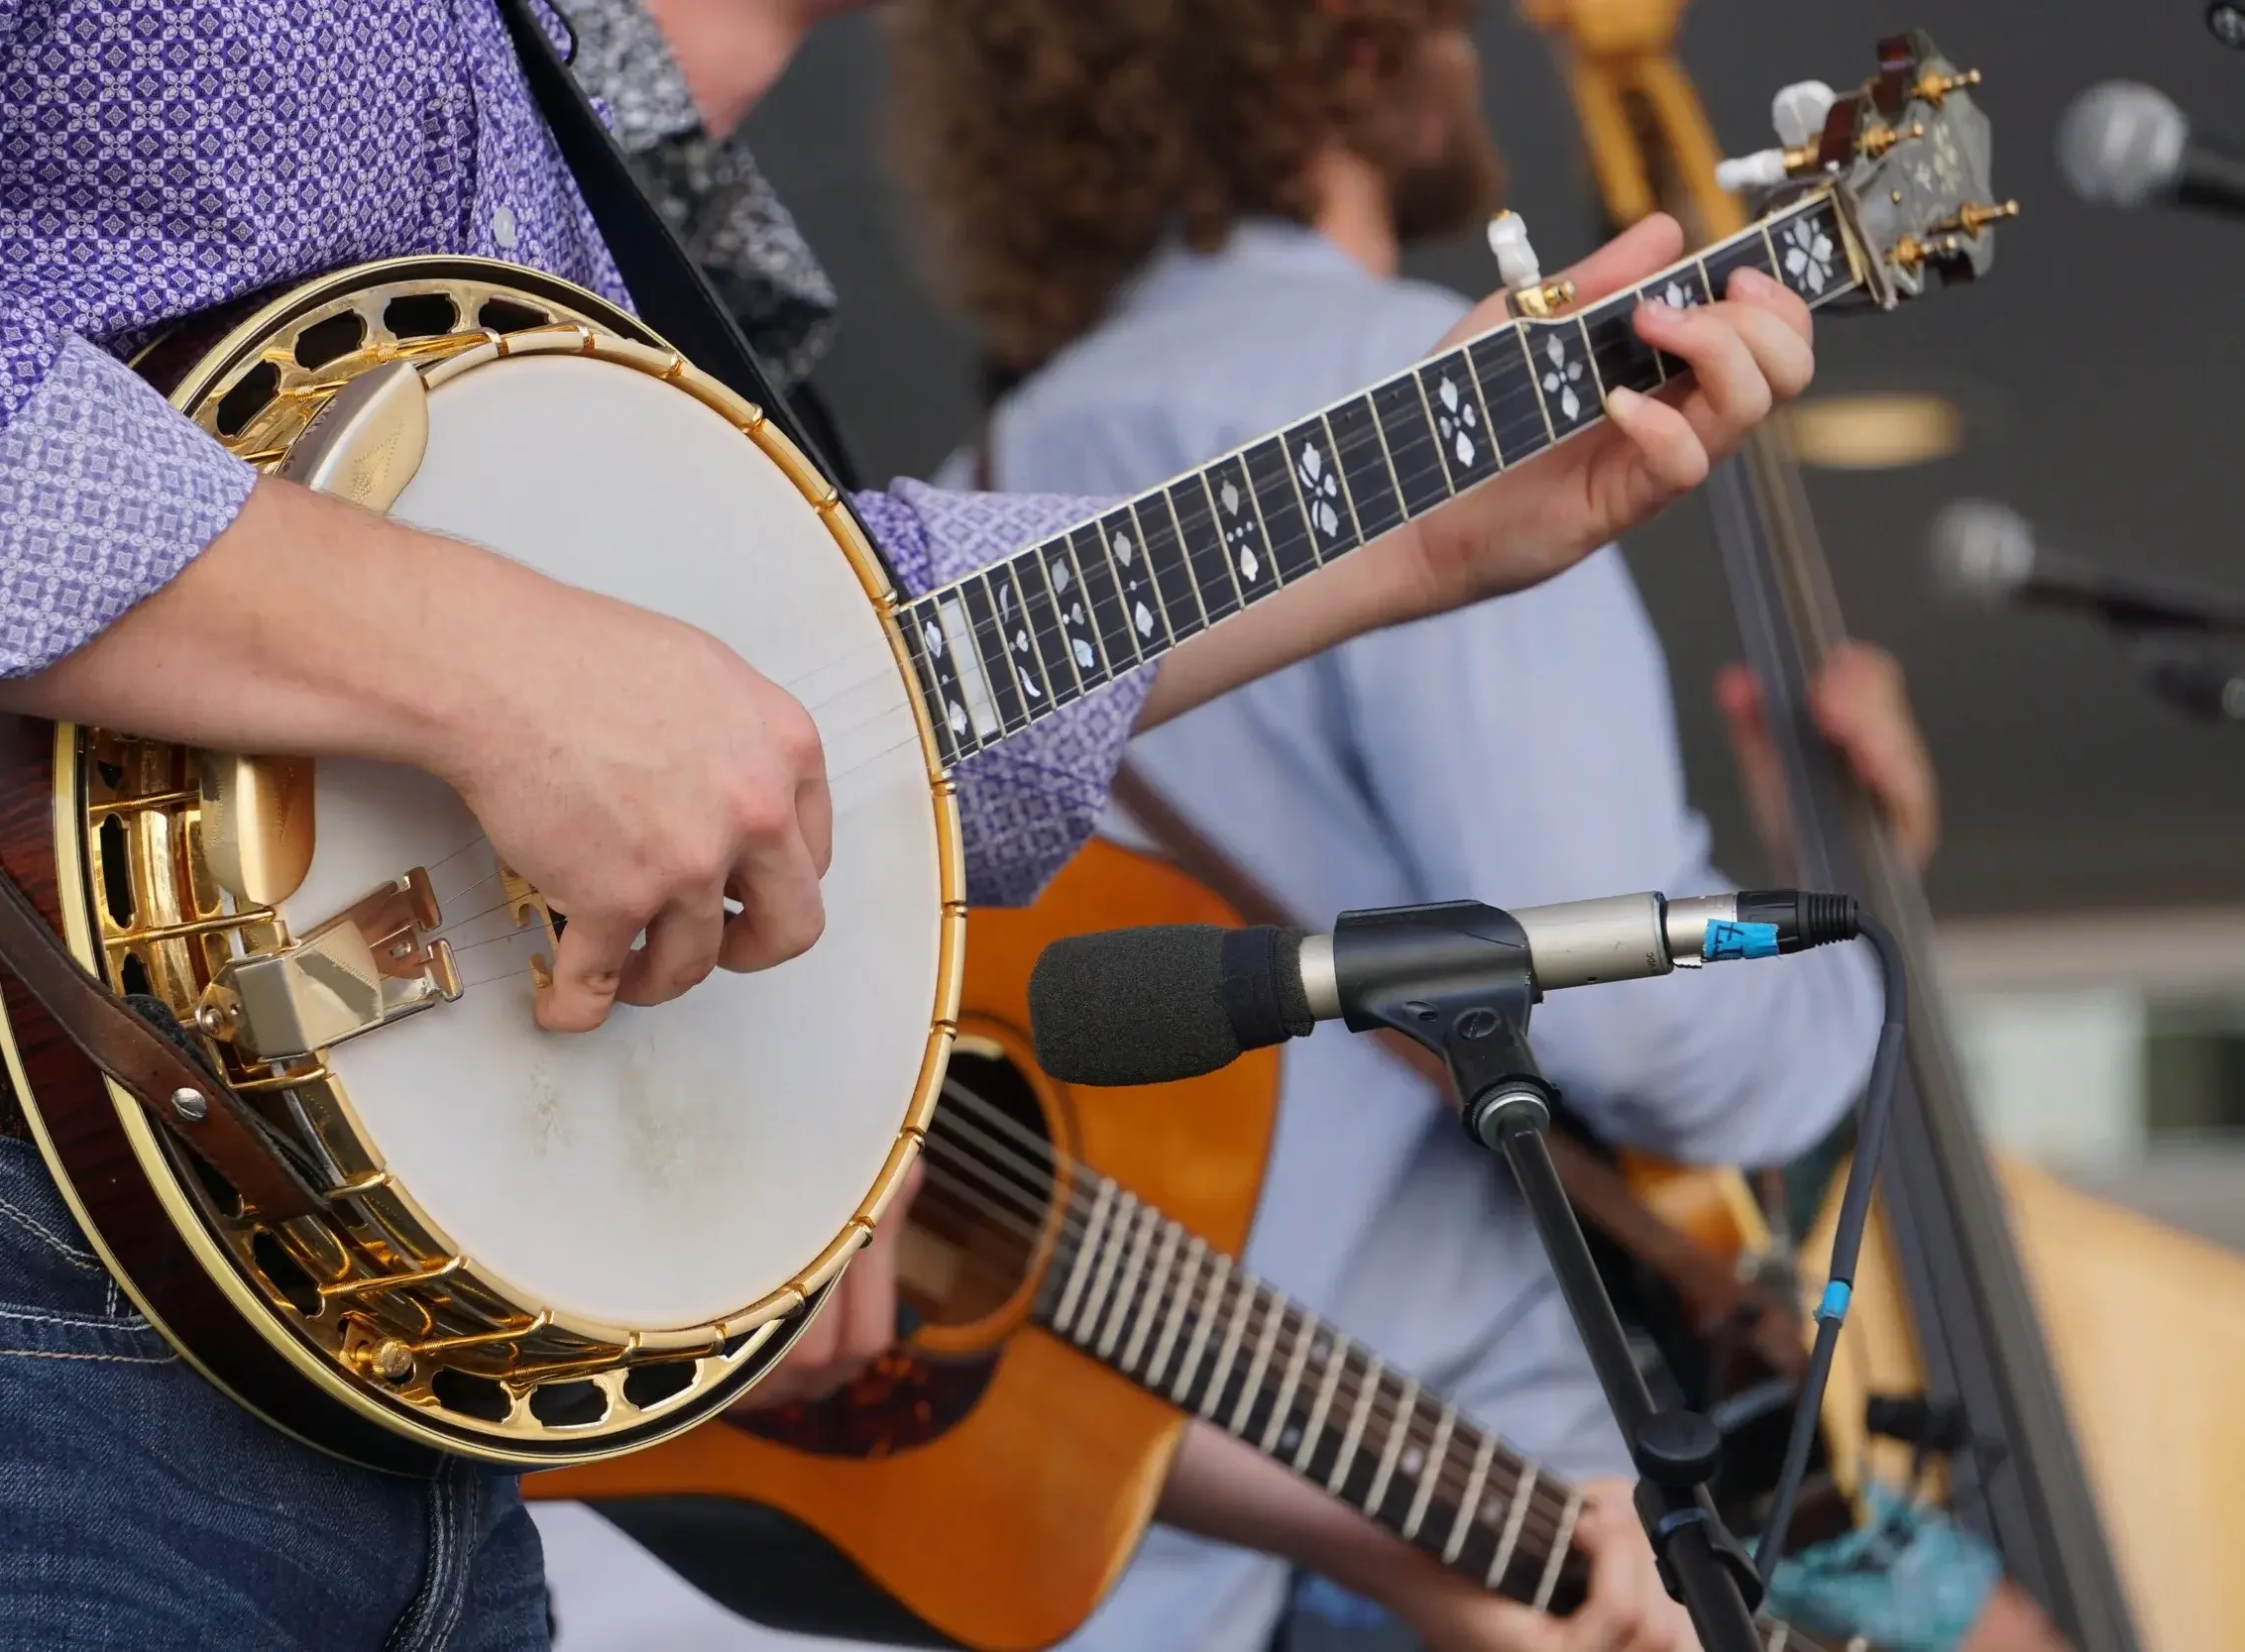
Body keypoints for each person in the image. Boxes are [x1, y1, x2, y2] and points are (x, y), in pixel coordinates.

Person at [0, 0, 1812, 1645]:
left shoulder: (543, 73)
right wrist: (504, 670)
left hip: (387, 1393)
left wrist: (1402, 533)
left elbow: (785, 674)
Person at [877, 3, 2069, 1650]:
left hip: (1126, 1521)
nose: (1473, 54)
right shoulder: (1419, 392)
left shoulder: (982, 488)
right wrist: (1850, 939)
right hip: (1490, 1494)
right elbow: (1645, 1017)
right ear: (1348, 48)